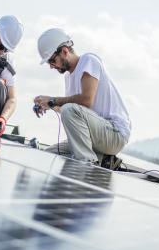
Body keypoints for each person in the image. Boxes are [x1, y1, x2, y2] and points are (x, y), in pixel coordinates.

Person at [33, 28, 131, 169]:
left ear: (65, 51)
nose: (51, 66)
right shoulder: (68, 77)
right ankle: (102, 160)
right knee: (49, 154)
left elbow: (86, 100)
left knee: (69, 110)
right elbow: (75, 112)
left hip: (114, 134)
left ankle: (88, 164)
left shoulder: (88, 60)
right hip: (95, 134)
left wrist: (53, 99)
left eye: (52, 60)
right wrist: (49, 105)